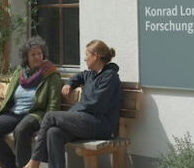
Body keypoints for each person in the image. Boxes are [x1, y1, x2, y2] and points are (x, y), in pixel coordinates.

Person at [23, 40, 122, 168]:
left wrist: (70, 114)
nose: (85, 59)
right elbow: (79, 76)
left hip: (100, 124)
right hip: (86, 122)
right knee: (53, 132)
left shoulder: (110, 77)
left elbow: (96, 104)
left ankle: (34, 163)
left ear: (95, 56)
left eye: (87, 55)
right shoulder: (92, 74)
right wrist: (70, 84)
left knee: (50, 117)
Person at [0, 36, 62, 168]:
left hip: (35, 114)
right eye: (33, 54)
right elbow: (9, 96)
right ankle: (11, 165)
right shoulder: (20, 72)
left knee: (20, 130)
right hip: (15, 112)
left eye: (39, 53)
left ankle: (23, 166)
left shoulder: (51, 74)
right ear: (26, 57)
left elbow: (53, 103)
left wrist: (46, 124)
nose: (37, 57)